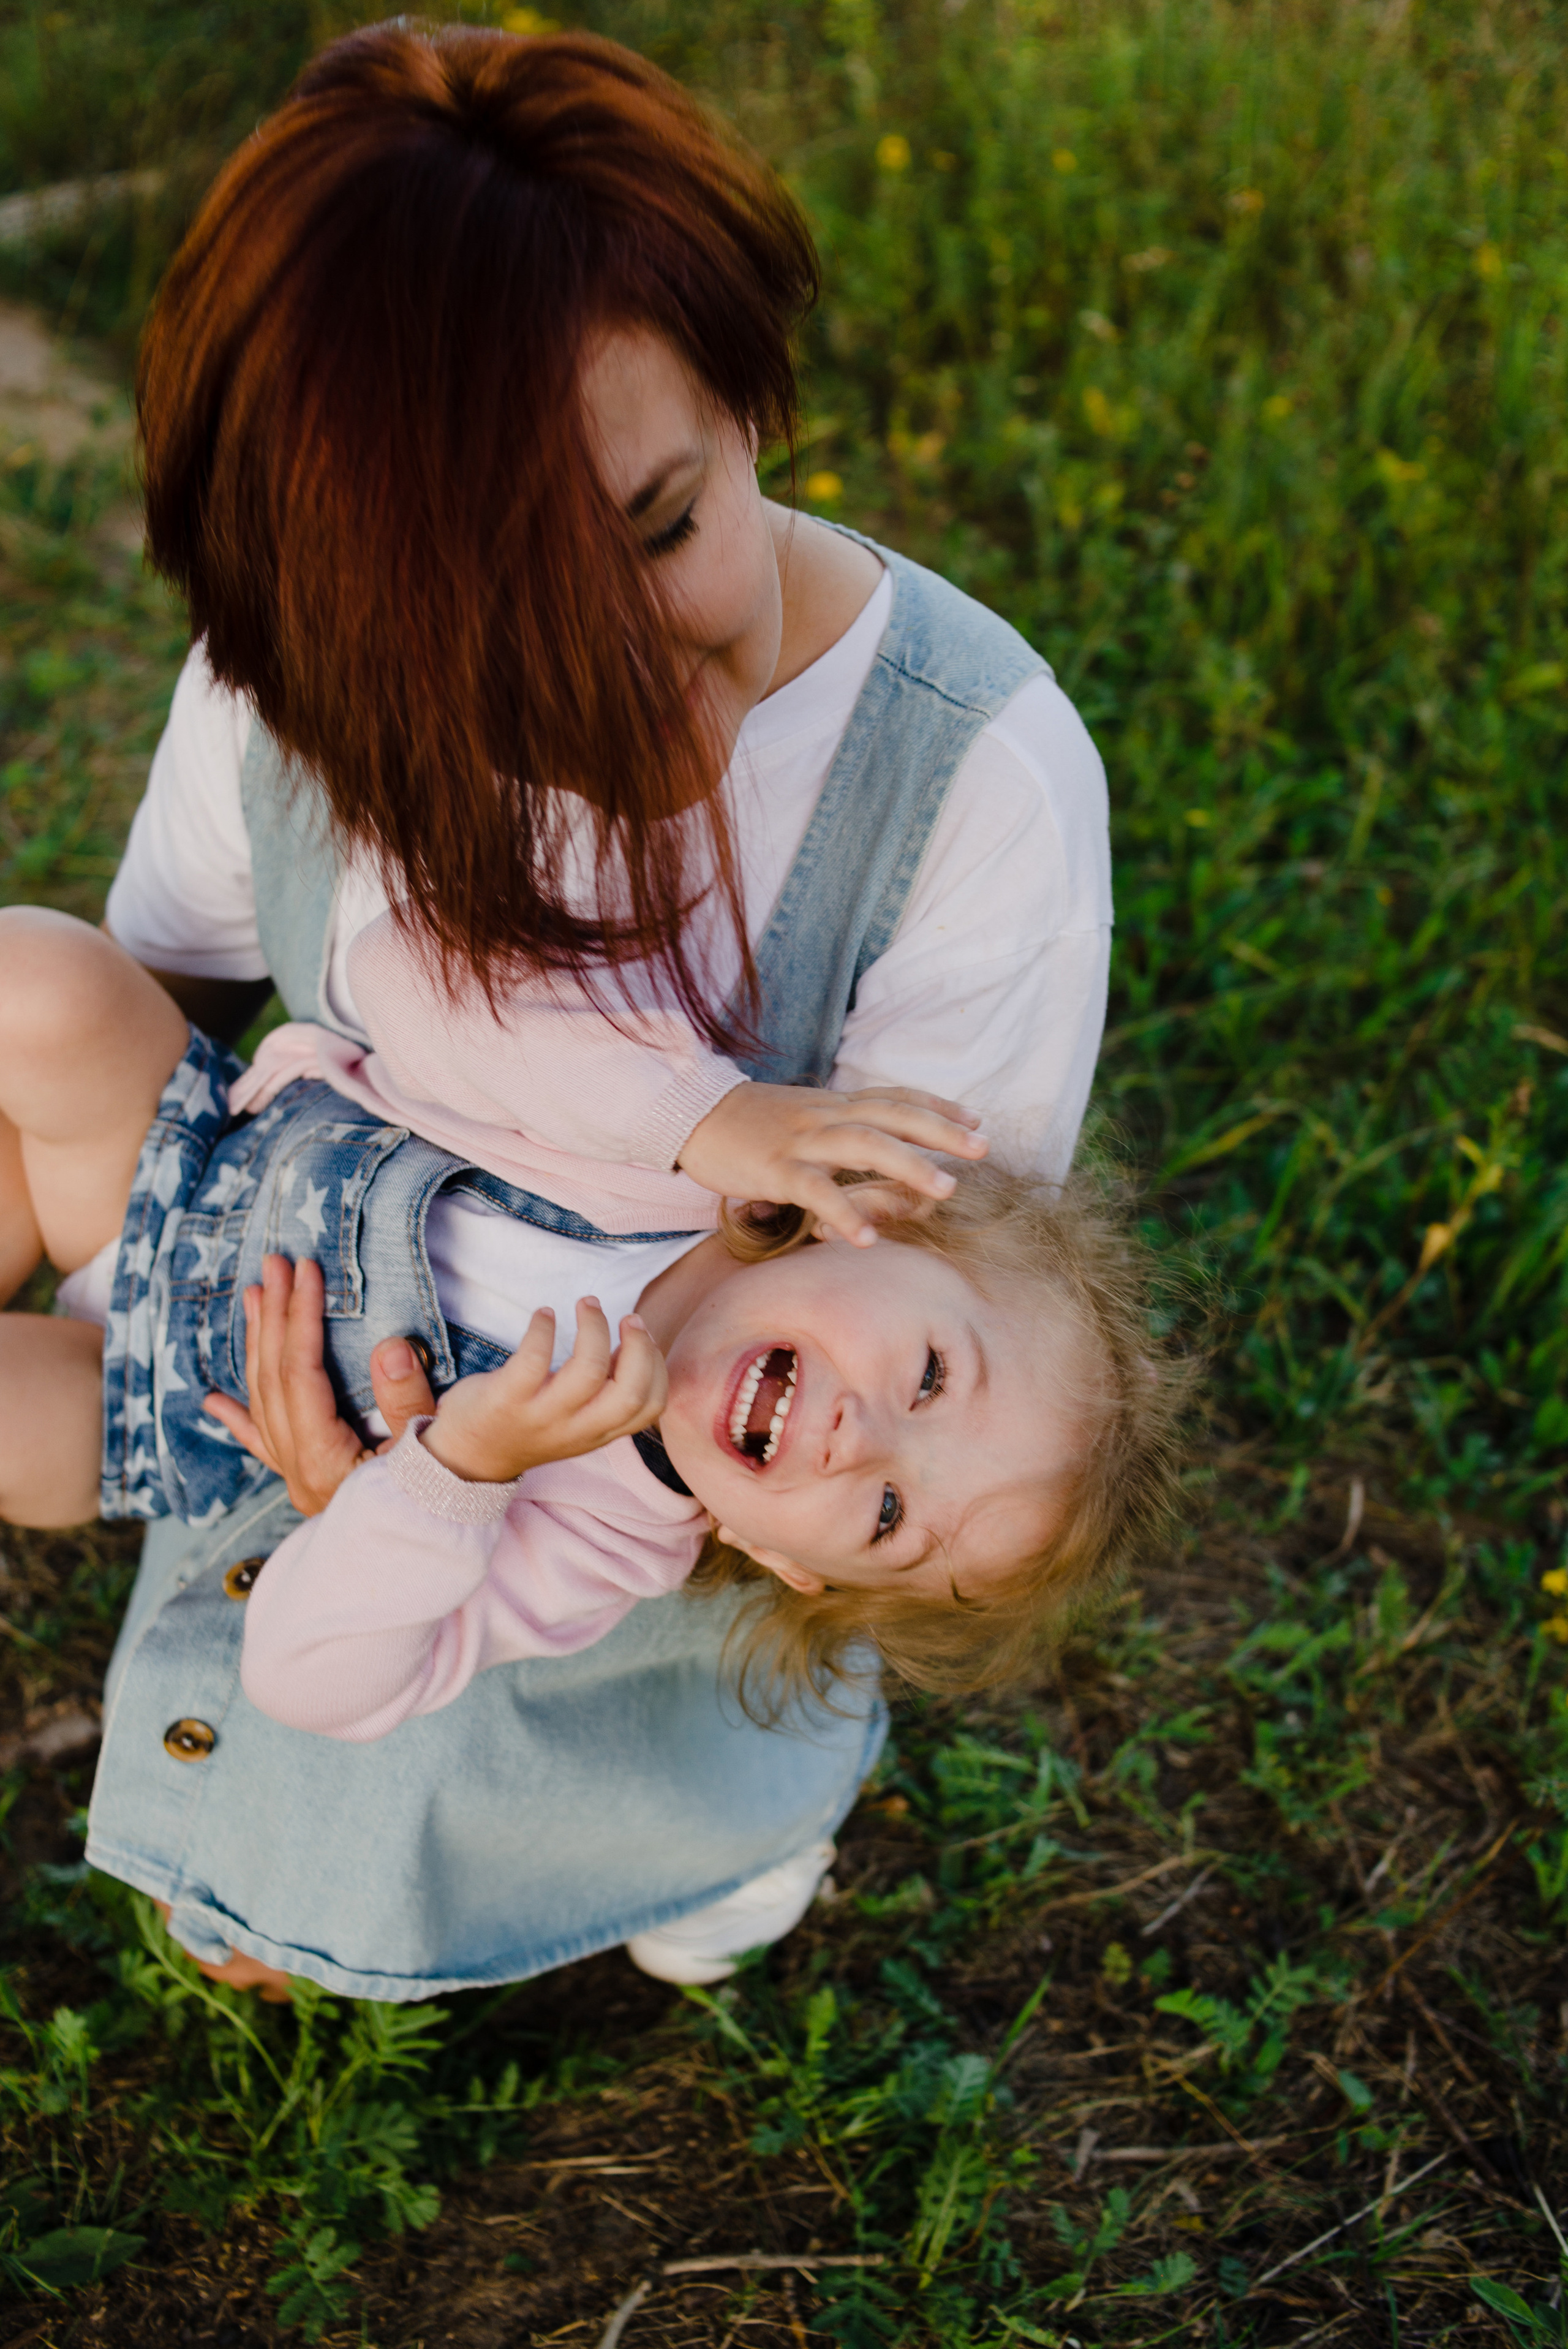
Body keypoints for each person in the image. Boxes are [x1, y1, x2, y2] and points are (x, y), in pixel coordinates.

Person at [80, 20, 1115, 2000]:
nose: (628, 684)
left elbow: (946, 1368)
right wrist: (157, 1276)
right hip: (367, 1339)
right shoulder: (285, 674)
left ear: (747, 392)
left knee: (657, 1778)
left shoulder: (967, 781)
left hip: (648, 1499)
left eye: (660, 527)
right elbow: (176, 980)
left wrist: (415, 1493)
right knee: (281, 1867)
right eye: (489, 616)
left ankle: (713, 1836)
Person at [0, 917, 1173, 1757]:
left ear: (786, 1562)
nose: (856, 1442)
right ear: (896, 1229)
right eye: (926, 1374)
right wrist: (698, 1115)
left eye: (886, 1517)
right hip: (181, 1147)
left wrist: (453, 1477)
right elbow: (404, 966)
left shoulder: (600, 1545)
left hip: (145, 1392)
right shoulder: (695, 1153)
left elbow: (307, 1681)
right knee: (42, 981)